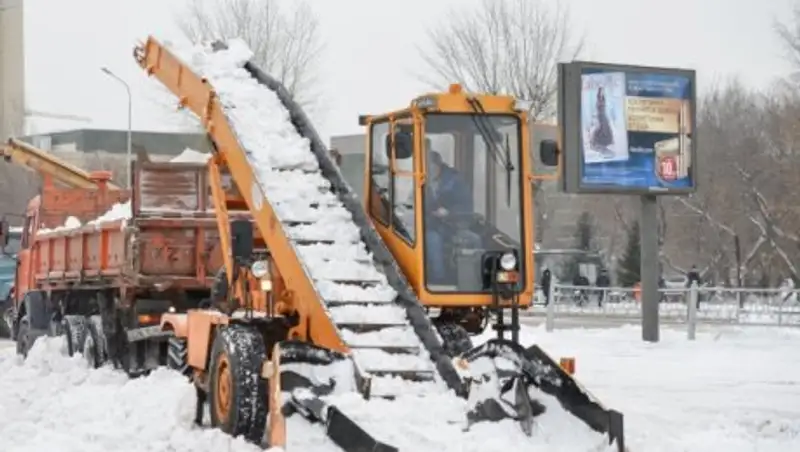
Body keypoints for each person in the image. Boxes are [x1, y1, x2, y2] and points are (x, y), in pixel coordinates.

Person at [425, 150, 473, 284]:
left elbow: (466, 206)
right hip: (429, 224)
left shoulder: (455, 182)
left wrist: (449, 213)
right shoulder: (422, 182)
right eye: (426, 168)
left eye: (431, 167)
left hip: (453, 225)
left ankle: (439, 279)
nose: (428, 171)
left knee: (432, 240)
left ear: (438, 166)